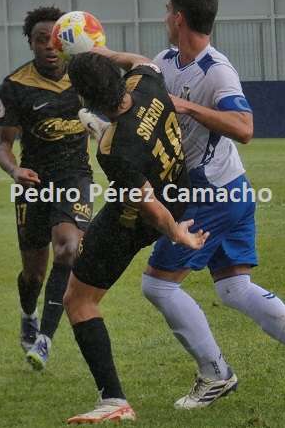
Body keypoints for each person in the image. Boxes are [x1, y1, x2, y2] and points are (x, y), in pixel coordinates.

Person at [145, 0, 285, 410]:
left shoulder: (217, 70)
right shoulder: (164, 60)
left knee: (157, 286)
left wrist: (188, 107)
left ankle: (216, 374)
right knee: (233, 288)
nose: (164, 19)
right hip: (230, 189)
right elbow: (147, 81)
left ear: (178, 17)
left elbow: (245, 128)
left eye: (166, 11)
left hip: (210, 192)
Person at [63, 48, 208, 424]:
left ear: (86, 98)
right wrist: (103, 52)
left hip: (133, 220)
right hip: (179, 191)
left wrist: (178, 236)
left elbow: (149, 207)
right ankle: (113, 400)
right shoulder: (149, 83)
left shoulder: (113, 150)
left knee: (79, 301)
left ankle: (114, 401)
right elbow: (142, 60)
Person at [0, 6, 92, 371]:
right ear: (31, 43)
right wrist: (15, 169)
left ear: (64, 42)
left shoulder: (85, 77)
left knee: (68, 250)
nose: (49, 47)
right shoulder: (15, 86)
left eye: (54, 40)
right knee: (33, 273)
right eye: (40, 40)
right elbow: (3, 144)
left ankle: (45, 341)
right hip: (33, 182)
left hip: (74, 178)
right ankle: (27, 313)